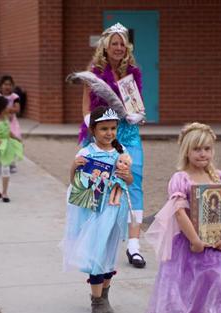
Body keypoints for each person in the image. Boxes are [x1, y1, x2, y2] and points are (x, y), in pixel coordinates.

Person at [140, 122, 221, 313]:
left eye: (207, 149)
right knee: (183, 294)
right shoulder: (181, 179)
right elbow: (178, 210)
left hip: (215, 249)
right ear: (187, 151)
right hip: (188, 249)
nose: (203, 154)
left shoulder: (218, 177)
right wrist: (195, 240)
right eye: (197, 149)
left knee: (213, 291)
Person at [80, 22, 147, 268]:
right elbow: (86, 107)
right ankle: (98, 237)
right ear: (105, 47)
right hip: (104, 134)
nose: (119, 48)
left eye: (122, 43)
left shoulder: (133, 73)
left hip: (128, 134)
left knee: (134, 182)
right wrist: (94, 126)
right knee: (101, 183)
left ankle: (134, 246)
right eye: (114, 43)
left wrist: (138, 114)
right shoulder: (94, 72)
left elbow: (137, 106)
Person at [61, 106, 132, 313]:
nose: (109, 133)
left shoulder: (121, 153)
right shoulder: (85, 153)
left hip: (113, 211)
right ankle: (95, 303)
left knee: (109, 255)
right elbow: (74, 183)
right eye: (104, 129)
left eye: (112, 128)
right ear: (93, 130)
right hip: (92, 211)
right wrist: (74, 167)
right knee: (95, 255)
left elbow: (130, 183)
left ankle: (105, 296)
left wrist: (126, 176)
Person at [0, 75, 22, 173]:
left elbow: (17, 109)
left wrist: (6, 110)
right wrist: (8, 111)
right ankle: (4, 160)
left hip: (12, 123)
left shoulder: (15, 97)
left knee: (13, 141)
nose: (7, 87)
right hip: (1, 122)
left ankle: (12, 163)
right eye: (5, 84)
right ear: (1, 86)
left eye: (9, 84)